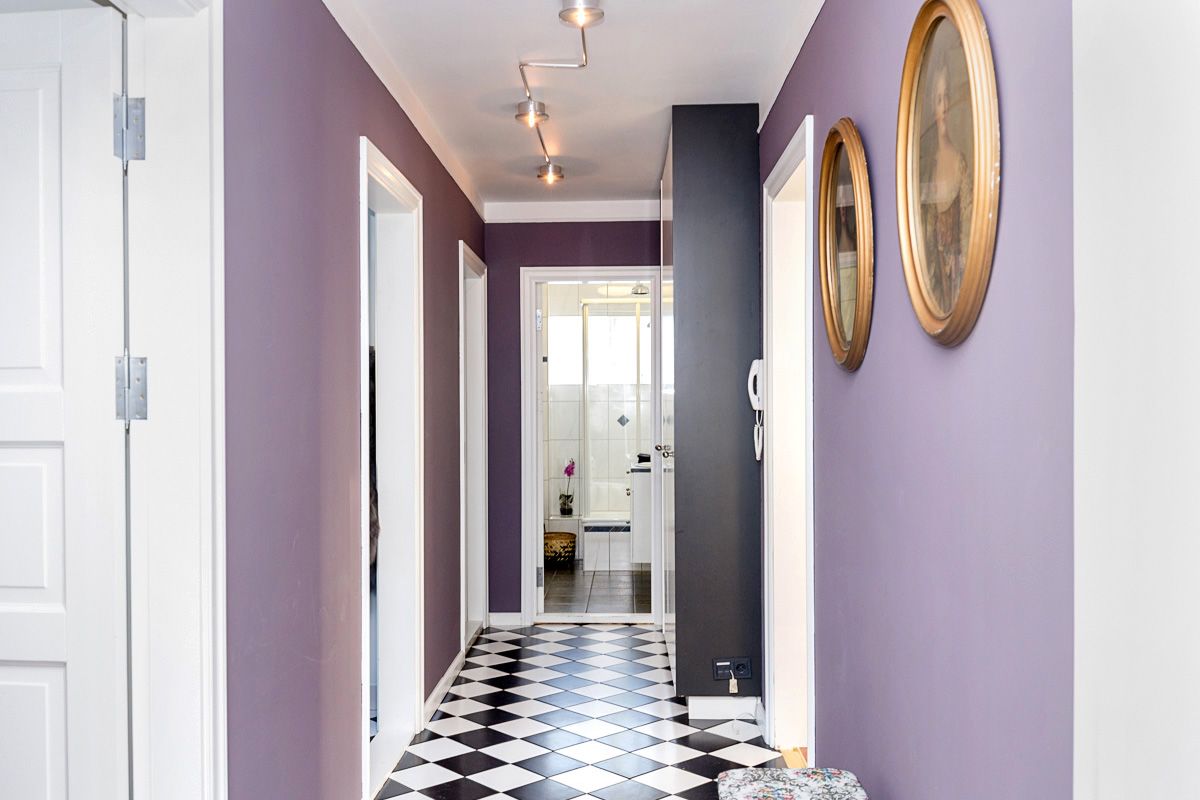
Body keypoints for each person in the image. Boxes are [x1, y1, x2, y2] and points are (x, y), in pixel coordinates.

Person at [920, 48, 972, 314]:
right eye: (939, 99)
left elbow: (967, 232)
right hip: (936, 296)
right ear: (933, 105)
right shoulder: (927, 171)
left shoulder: (961, 163)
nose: (944, 106)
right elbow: (926, 245)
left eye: (947, 97)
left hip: (961, 293)